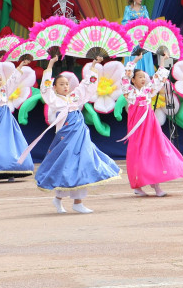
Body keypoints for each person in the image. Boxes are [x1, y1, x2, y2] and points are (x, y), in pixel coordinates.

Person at [33, 57, 121, 213]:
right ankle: (59, 198)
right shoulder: (54, 99)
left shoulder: (74, 97)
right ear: (55, 88)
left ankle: (78, 202)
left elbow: (86, 85)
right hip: (66, 138)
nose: (66, 86)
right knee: (66, 167)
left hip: (80, 137)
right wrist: (50, 66)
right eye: (61, 84)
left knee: (82, 164)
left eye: (67, 84)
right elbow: (45, 88)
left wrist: (93, 66)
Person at [120, 51, 183, 196]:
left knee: (156, 151)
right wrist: (134, 61)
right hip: (138, 130)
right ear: (133, 80)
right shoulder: (130, 94)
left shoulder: (149, 91)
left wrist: (163, 61)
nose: (144, 79)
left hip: (150, 128)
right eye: (140, 77)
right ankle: (138, 186)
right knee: (139, 155)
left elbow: (159, 79)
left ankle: (157, 186)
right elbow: (125, 78)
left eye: (145, 76)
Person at [121, 0, 154, 75]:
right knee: (134, 53)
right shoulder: (128, 9)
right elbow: (124, 22)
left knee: (145, 53)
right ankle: (133, 74)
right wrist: (134, 23)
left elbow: (148, 20)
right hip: (133, 36)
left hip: (143, 35)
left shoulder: (144, 8)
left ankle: (147, 74)